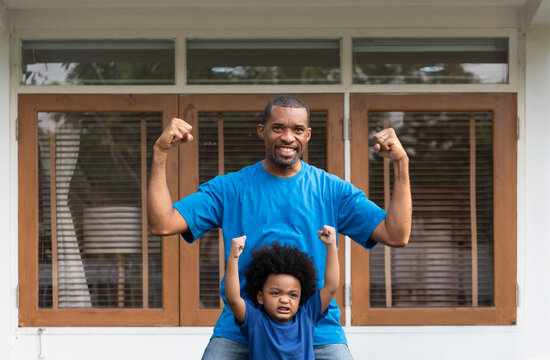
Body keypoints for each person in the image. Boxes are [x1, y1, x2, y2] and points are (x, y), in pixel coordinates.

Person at [147, 94, 412, 359]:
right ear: (262, 131)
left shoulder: (332, 190)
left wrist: (401, 163)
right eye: (278, 128)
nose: (288, 137)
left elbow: (396, 234)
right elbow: (162, 223)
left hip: (316, 330)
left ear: (307, 135)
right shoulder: (230, 188)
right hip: (242, 328)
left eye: (297, 130)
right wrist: (160, 153)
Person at [226, 225, 339, 360]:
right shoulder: (255, 320)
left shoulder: (307, 316)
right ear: (260, 297)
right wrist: (233, 257)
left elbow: (331, 287)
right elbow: (233, 299)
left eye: (292, 295)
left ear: (300, 298)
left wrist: (331, 246)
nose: (285, 300)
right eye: (275, 293)